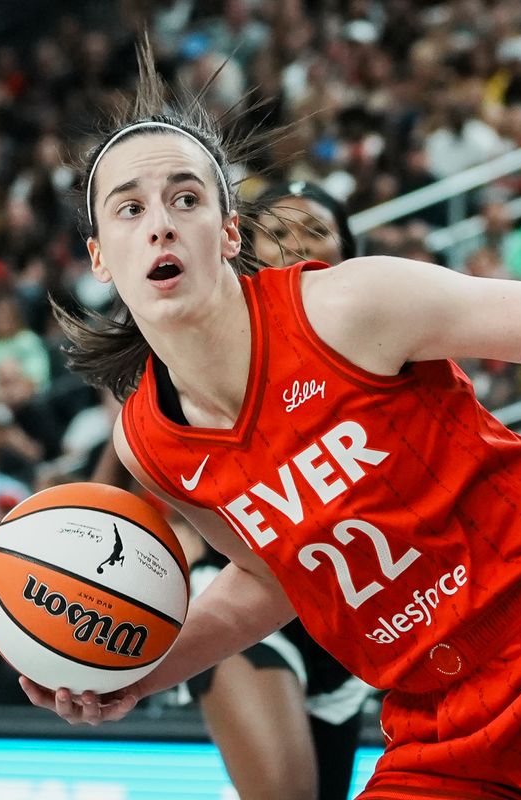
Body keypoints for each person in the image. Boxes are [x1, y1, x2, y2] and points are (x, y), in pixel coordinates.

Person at [23, 46, 521, 800]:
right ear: (100, 257)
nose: (160, 227)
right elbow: (269, 581)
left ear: (230, 233)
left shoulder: (345, 307)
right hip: (435, 720)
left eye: (185, 199)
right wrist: (132, 673)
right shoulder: (150, 444)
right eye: (130, 209)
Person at [181, 180, 373, 800]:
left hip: (351, 616)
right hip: (252, 597)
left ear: (349, 253)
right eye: (277, 233)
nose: (294, 247)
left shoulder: (385, 340)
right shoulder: (214, 350)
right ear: (246, 250)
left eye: (315, 231)